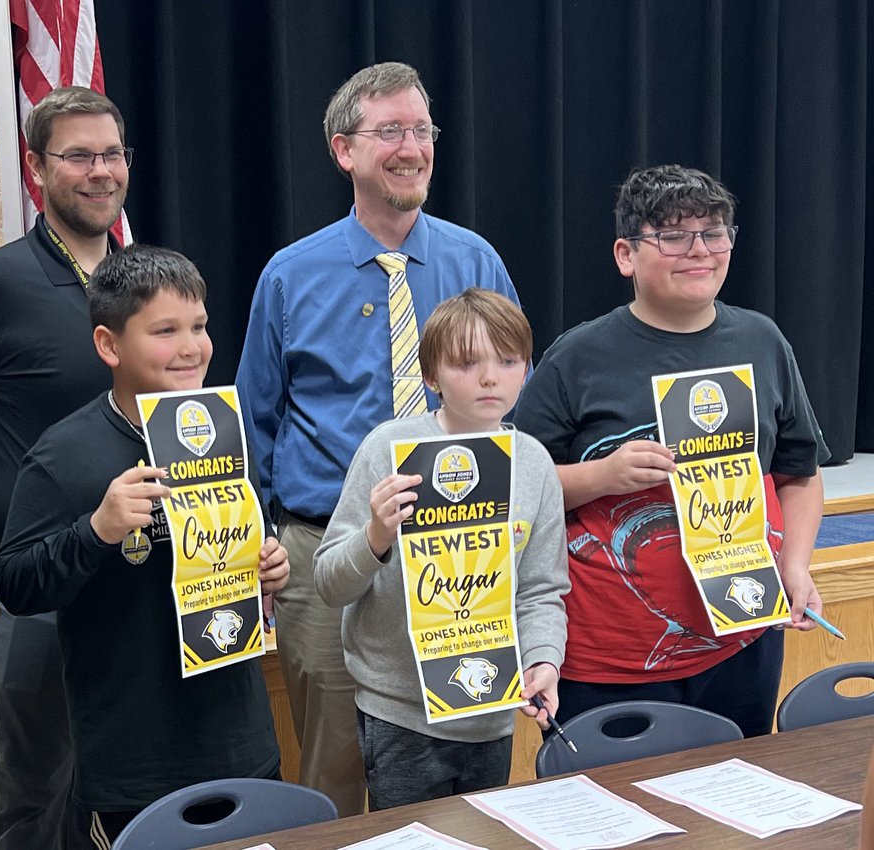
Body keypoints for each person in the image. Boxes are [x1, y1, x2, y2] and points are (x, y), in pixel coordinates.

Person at [236, 60, 521, 814]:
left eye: (422, 129)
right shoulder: (290, 277)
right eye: (389, 130)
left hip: (456, 550)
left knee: (447, 774)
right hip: (325, 551)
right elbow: (254, 425)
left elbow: (510, 405)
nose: (411, 147)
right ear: (344, 151)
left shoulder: (474, 263)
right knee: (333, 775)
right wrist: (260, 548)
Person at [514, 164, 829, 737]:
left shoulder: (763, 341)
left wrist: (797, 565)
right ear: (626, 255)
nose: (699, 251)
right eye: (674, 235)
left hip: (741, 638)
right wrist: (601, 476)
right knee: (613, 820)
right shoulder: (577, 357)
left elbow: (799, 474)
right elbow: (512, 493)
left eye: (714, 233)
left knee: (737, 808)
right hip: (611, 658)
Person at [0, 245, 288, 849]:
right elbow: (15, 583)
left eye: (200, 326)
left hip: (241, 742)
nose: (191, 347)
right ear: (109, 346)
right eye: (165, 331)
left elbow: (244, 539)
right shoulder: (63, 454)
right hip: (134, 763)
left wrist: (269, 565)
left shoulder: (224, 430)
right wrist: (95, 530)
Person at [0, 85, 128, 848]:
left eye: (111, 153)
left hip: (132, 568)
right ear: (35, 169)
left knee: (119, 778)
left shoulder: (148, 278)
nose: (99, 171)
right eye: (77, 155)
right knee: (29, 787)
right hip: (24, 583)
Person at [315, 288, 568, 809]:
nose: (491, 377)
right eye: (466, 363)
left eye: (508, 360)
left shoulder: (535, 463)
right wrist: (375, 538)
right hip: (399, 711)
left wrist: (545, 659)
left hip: (492, 713)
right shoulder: (388, 449)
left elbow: (542, 590)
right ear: (431, 377)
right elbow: (328, 584)